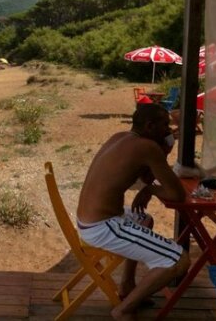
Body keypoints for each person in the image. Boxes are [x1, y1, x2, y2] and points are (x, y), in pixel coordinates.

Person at [76, 103, 189, 320]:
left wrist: (153, 177)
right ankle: (123, 310)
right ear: (149, 126)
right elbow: (177, 194)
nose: (169, 129)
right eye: (165, 124)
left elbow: (146, 177)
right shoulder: (147, 147)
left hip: (89, 221)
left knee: (144, 219)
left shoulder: (119, 137)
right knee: (178, 260)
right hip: (103, 227)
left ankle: (127, 284)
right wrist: (153, 188)